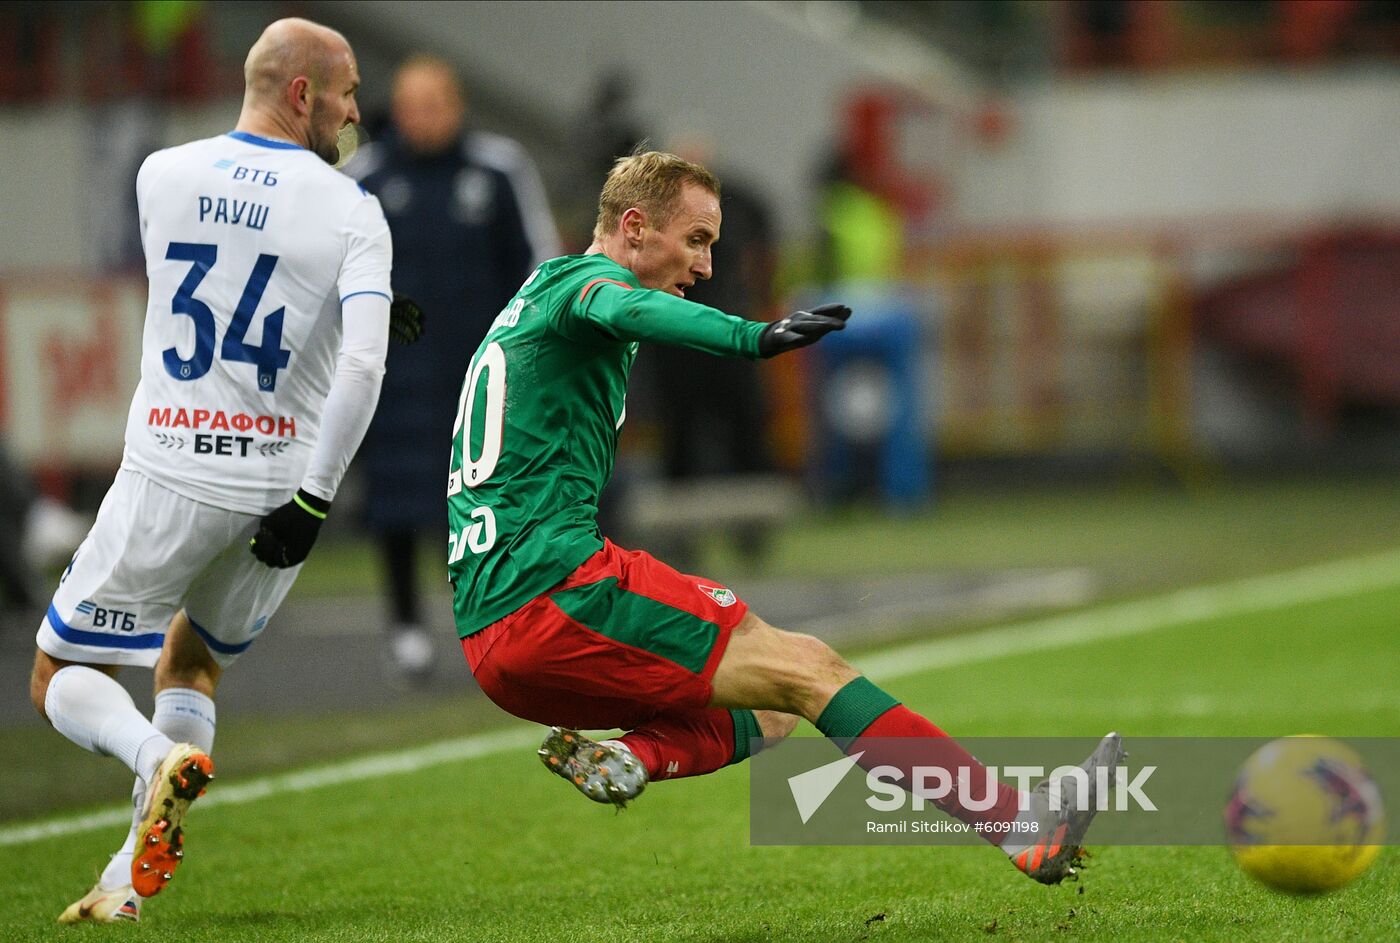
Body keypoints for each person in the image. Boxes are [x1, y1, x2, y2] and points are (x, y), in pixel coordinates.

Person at [448, 151, 1123, 886]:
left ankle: (629, 757)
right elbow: (625, 306)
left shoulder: (538, 293)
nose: (706, 264)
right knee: (813, 669)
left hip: (493, 641)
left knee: (775, 709)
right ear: (634, 227)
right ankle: (1021, 827)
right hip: (558, 590)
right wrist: (753, 337)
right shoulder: (590, 286)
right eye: (696, 239)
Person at [28, 17, 408, 924]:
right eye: (349, 91)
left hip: (170, 464)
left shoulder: (161, 174)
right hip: (282, 488)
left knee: (53, 673)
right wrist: (317, 499)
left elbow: (224, 270)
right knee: (191, 662)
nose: (359, 111)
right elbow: (360, 362)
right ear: (303, 94)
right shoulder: (353, 210)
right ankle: (126, 875)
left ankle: (149, 758)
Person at [345, 54, 558, 685]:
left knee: (494, 502)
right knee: (397, 503)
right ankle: (406, 627)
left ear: (457, 104)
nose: (425, 117)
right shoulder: (367, 178)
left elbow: (538, 264)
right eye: (413, 105)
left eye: (435, 103)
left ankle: (501, 624)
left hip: (484, 373)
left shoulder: (499, 169)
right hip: (398, 378)